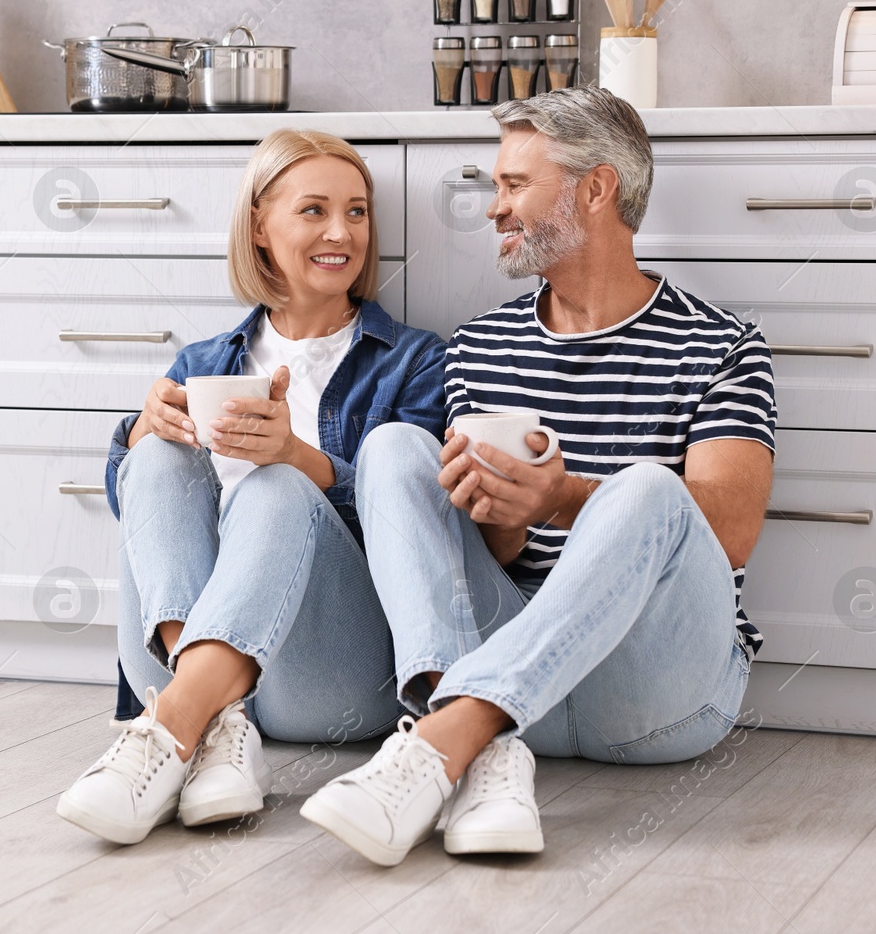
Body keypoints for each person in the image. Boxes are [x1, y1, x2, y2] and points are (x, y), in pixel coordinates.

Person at [301, 87, 777, 866]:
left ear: (596, 189)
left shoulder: (721, 344)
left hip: (658, 692)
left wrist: (562, 497)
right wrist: (507, 511)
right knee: (393, 448)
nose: (495, 208)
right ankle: (475, 742)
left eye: (515, 185)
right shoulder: (480, 349)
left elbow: (728, 531)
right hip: (524, 686)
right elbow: (486, 560)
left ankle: (437, 742)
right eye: (497, 187)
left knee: (649, 489)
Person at [56, 129, 448, 846]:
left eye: (357, 212)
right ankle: (216, 719)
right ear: (260, 227)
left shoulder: (418, 361)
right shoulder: (203, 360)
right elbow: (138, 513)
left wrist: (301, 458)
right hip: (187, 663)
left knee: (273, 488)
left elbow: (421, 520)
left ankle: (171, 728)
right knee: (153, 457)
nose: (342, 232)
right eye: (315, 210)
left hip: (326, 678)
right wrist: (142, 434)